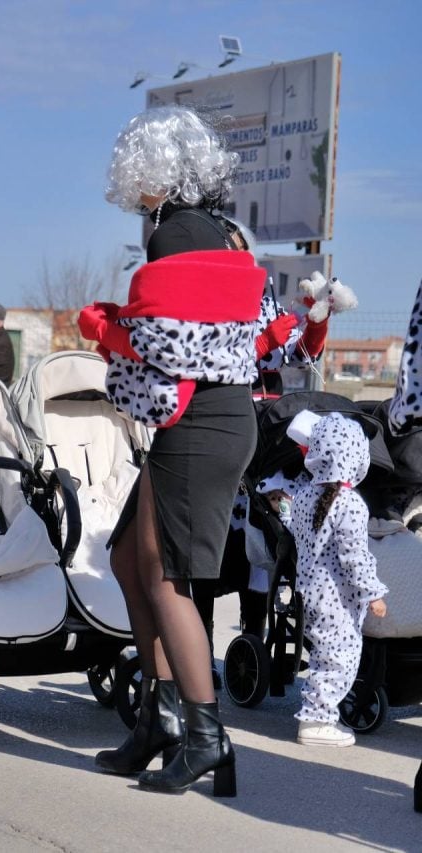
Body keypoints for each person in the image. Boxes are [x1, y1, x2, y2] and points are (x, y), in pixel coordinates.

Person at [80, 105, 264, 796]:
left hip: (198, 417)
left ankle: (205, 733)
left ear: (155, 171)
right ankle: (160, 716)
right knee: (129, 556)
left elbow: (166, 347)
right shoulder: (222, 229)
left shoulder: (175, 236)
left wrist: (109, 331)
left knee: (169, 578)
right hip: (217, 414)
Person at [290, 413, 388, 747]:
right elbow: (354, 556)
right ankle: (316, 721)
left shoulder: (303, 496)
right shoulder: (351, 504)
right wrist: (372, 592)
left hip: (309, 592)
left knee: (324, 654)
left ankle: (318, 715)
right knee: (339, 658)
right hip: (336, 597)